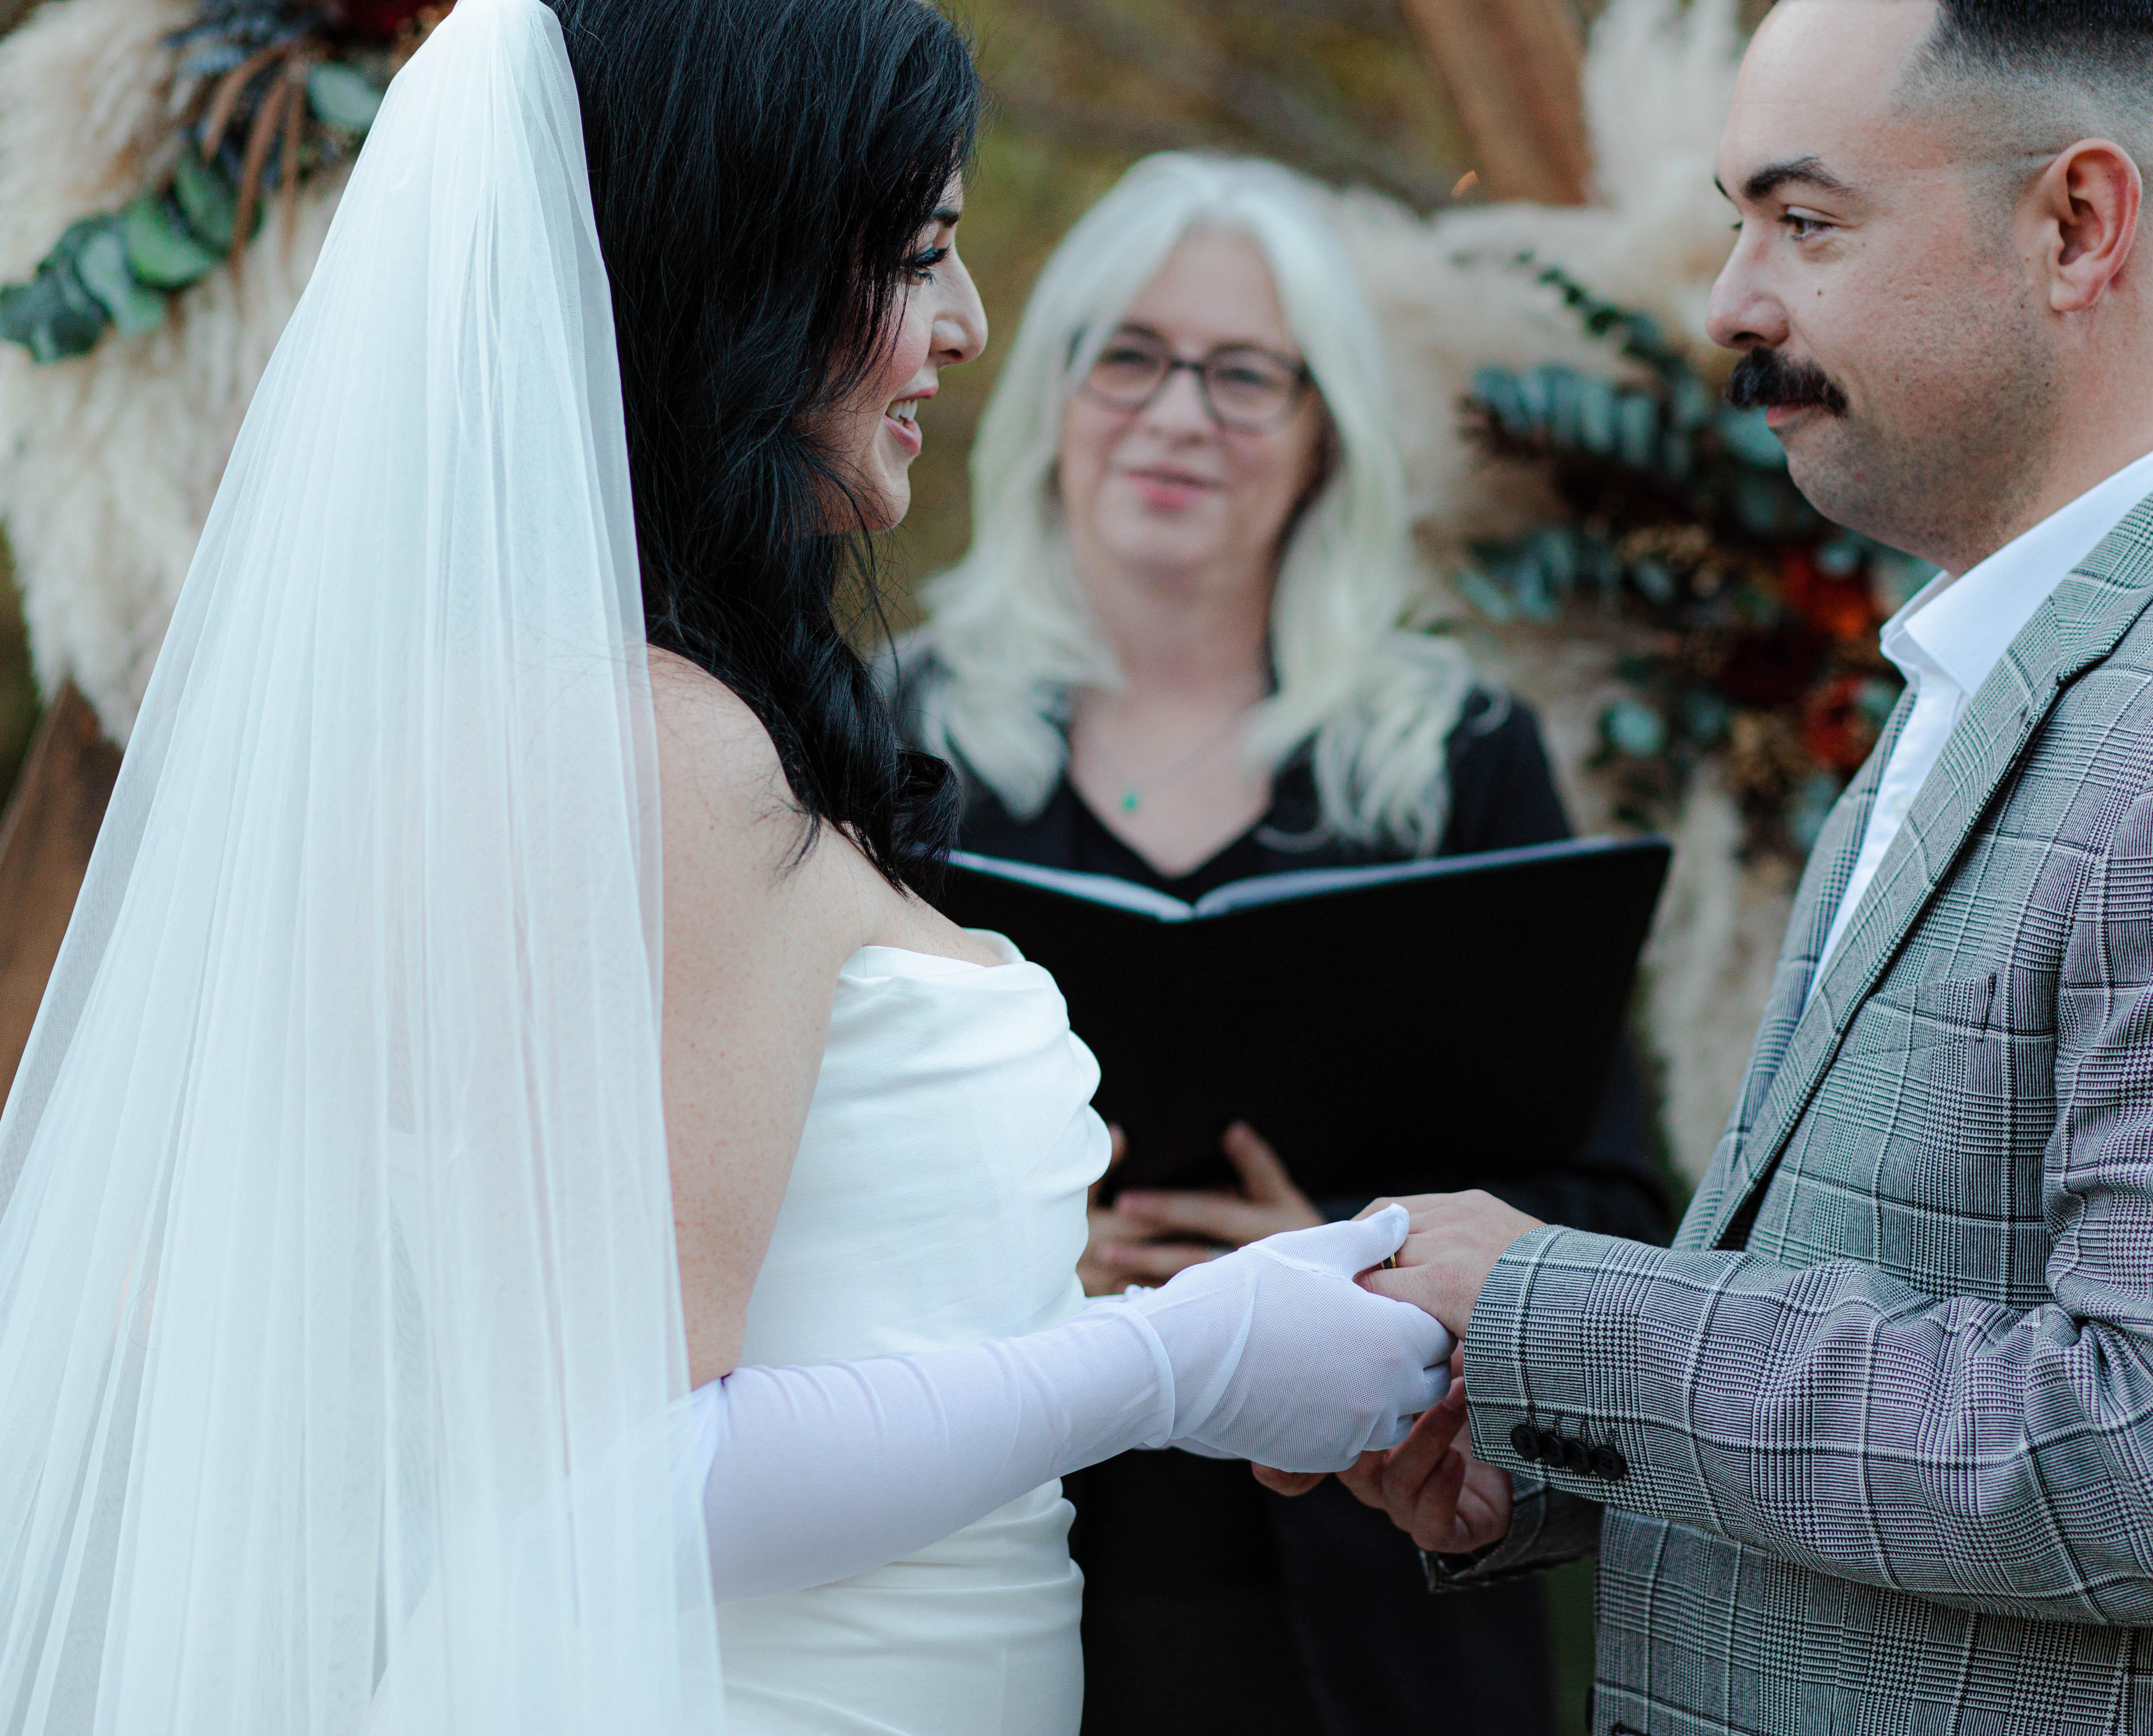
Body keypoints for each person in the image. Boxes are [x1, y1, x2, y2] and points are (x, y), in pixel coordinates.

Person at [0, 4, 1453, 1733]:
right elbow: (621, 1485)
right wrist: (1170, 1362)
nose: (967, 326)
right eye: (916, 254)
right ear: (740, 263)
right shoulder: (644, 745)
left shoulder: (605, 708)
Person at [1312, 4, 2153, 1734]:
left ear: (2077, 227)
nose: (1731, 303)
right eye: (1741, 223)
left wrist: (1560, 1318)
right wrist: (1537, 1449)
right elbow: (1924, 1304)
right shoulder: (2010, 663)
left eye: (1804, 222)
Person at [899, 154, 1672, 1736]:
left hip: (1372, 1627)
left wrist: (1338, 1262)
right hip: (980, 1576)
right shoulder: (882, 739)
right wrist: (1026, 1267)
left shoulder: (1460, 762)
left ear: (1326, 434)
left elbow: (1609, 1213)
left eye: (1246, 375)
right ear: (1052, 390)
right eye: (1130, 355)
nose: (1179, 415)